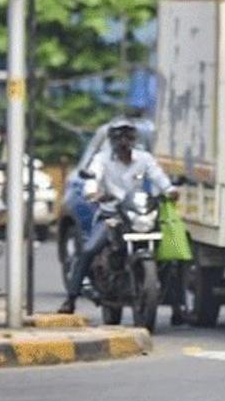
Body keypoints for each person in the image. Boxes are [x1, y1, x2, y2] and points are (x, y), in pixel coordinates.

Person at [58, 118, 176, 314]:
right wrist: (93, 192)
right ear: (112, 140)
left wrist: (170, 190)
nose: (124, 141)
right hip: (111, 216)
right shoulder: (101, 160)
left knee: (173, 254)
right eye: (119, 136)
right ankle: (71, 299)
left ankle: (177, 307)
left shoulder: (144, 159)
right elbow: (93, 178)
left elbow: (158, 177)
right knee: (88, 250)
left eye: (128, 136)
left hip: (138, 216)